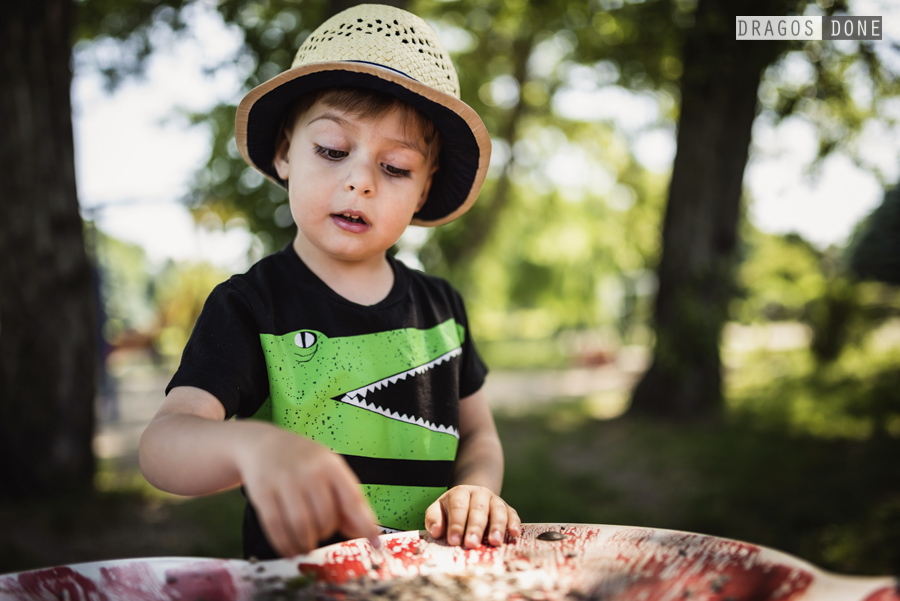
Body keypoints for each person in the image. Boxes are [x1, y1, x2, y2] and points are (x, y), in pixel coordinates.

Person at [138, 4, 520, 560]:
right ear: (285, 152)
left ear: (424, 188)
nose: (359, 181)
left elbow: (479, 436)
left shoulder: (443, 309)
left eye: (395, 168)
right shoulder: (252, 306)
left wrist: (477, 489)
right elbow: (161, 446)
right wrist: (250, 447)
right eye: (333, 151)